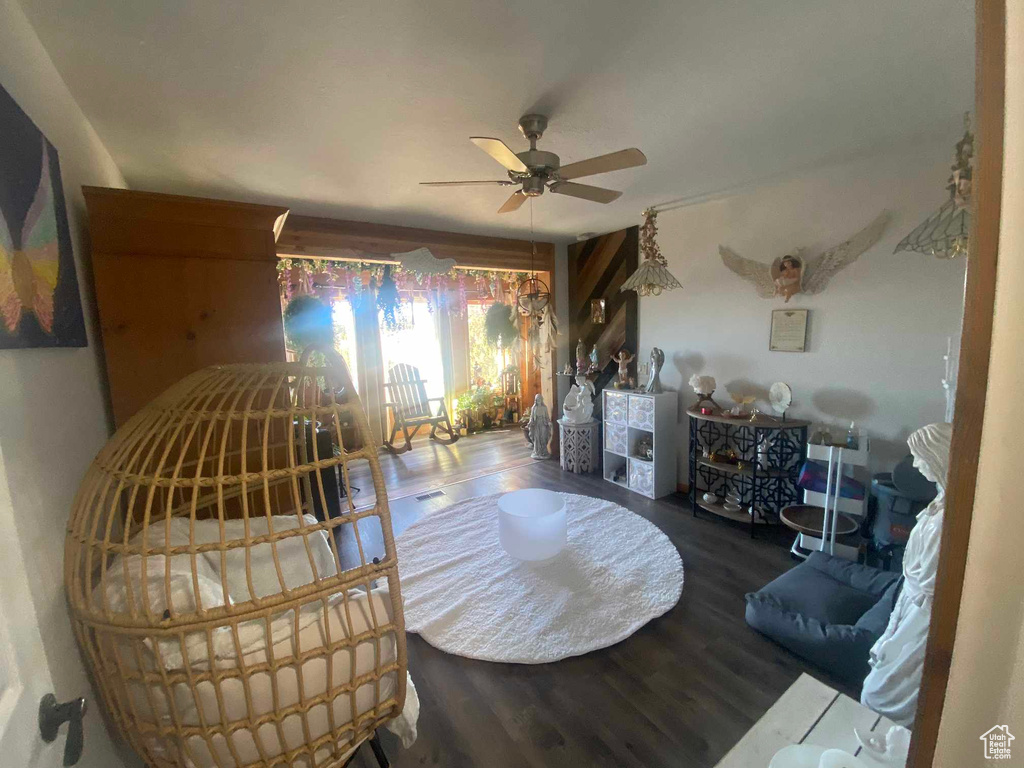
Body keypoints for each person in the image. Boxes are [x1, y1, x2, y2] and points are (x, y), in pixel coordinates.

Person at [860, 422, 953, 725]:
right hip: (912, 598)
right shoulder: (941, 503)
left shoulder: (951, 517)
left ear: (939, 457)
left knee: (883, 691)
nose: (915, 464)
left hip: (922, 609)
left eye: (919, 457)